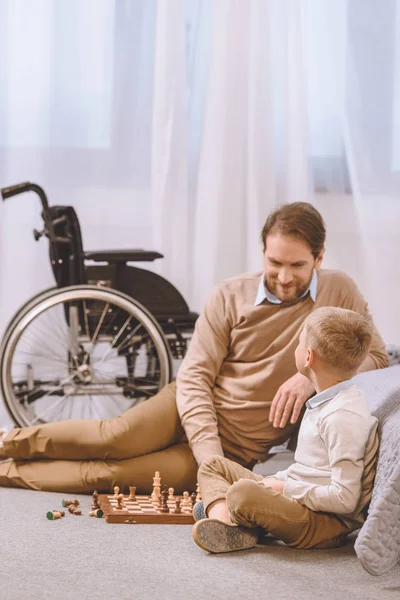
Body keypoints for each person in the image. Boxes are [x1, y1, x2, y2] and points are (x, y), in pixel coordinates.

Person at [0, 203, 388, 493]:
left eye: (298, 266)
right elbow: (195, 378)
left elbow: (378, 358)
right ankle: (6, 444)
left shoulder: (340, 291)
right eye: (274, 262)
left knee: (106, 474)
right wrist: (209, 457)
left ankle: (6, 473)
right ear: (263, 253)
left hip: (235, 448)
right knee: (112, 438)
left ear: (319, 259)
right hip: (187, 410)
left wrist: (308, 380)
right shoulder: (229, 295)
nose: (284, 278)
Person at [192, 307, 380, 553]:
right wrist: (279, 481)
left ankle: (225, 515)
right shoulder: (324, 400)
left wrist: (285, 488)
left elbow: (345, 499)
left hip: (322, 522)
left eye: (299, 341)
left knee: (242, 493)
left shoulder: (342, 416)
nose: (297, 347)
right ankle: (228, 522)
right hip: (299, 498)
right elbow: (310, 471)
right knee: (212, 465)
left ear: (308, 357)